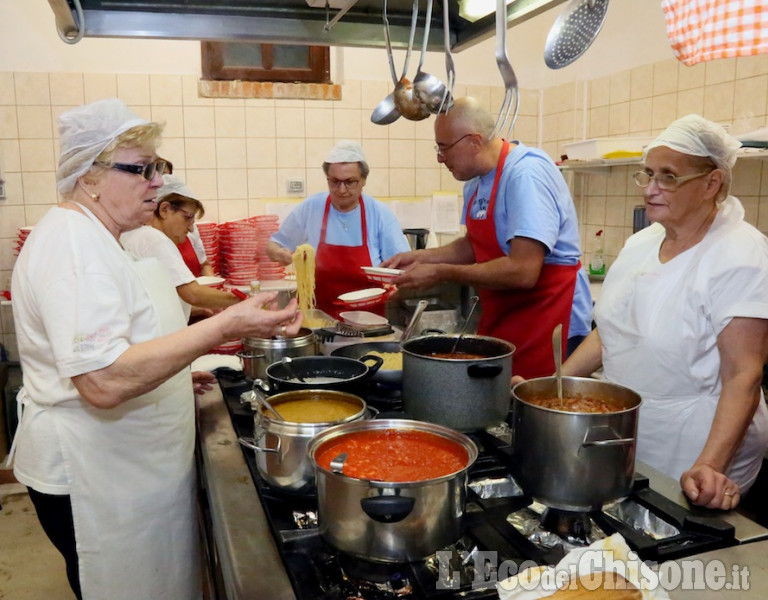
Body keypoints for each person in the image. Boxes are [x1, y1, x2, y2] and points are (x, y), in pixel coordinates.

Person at [9, 98, 302, 600]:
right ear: (90, 176)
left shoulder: (103, 237)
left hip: (118, 466)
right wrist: (228, 322)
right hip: (92, 473)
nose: (156, 183)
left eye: (158, 168)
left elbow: (114, 348)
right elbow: (101, 381)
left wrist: (164, 377)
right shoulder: (73, 246)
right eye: (141, 169)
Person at [557, 114, 768, 510]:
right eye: (648, 174)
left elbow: (745, 373)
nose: (651, 189)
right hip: (635, 434)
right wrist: (553, 387)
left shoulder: (741, 255)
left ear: (711, 183)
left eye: (668, 177)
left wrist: (710, 464)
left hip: (700, 447)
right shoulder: (644, 241)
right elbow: (613, 330)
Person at [383, 97, 592, 378]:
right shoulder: (476, 181)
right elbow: (474, 244)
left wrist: (440, 273)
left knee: (537, 407)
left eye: (444, 148)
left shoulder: (525, 175)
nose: (439, 158)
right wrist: (419, 257)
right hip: (508, 315)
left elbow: (524, 270)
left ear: (474, 141)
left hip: (550, 317)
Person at [266, 140, 410, 318]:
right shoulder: (312, 207)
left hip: (368, 321)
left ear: (363, 180)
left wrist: (396, 284)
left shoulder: (379, 213)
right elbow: (273, 246)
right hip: (319, 318)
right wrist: (281, 254)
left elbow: (402, 264)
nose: (341, 190)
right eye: (334, 182)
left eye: (350, 182)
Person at [121, 174, 239, 321]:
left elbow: (159, 298)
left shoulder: (133, 234)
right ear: (164, 209)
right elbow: (192, 293)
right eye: (187, 217)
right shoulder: (154, 239)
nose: (190, 229)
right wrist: (241, 300)